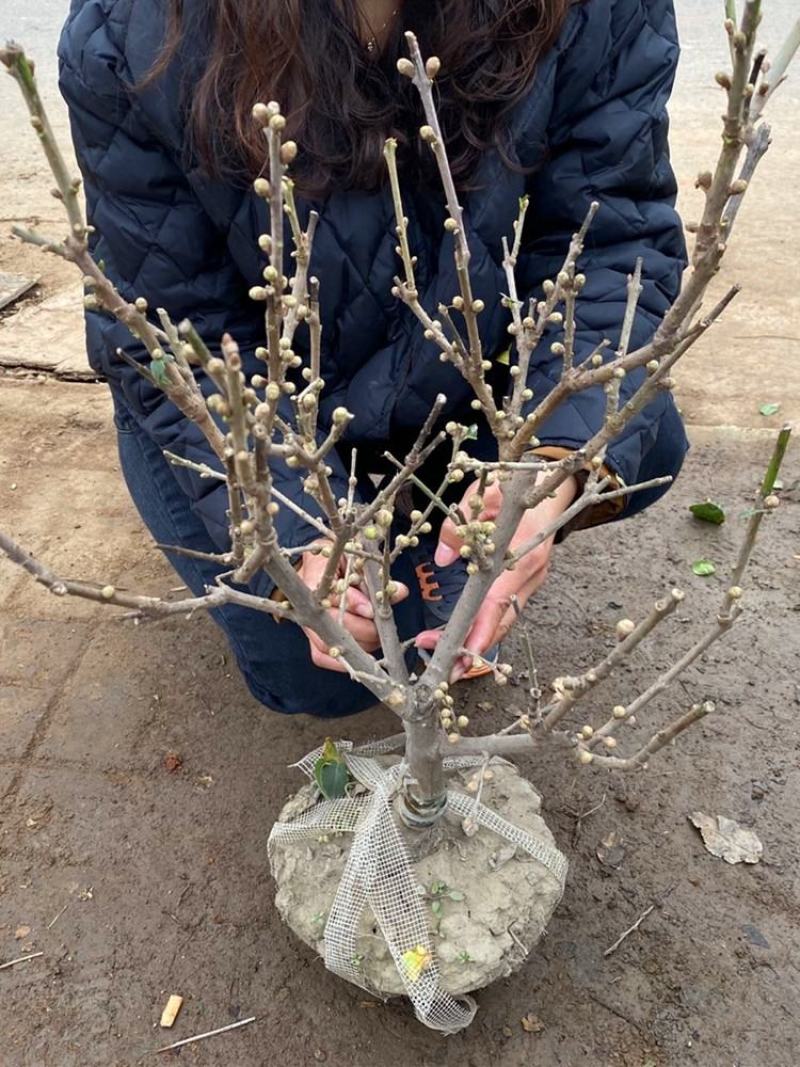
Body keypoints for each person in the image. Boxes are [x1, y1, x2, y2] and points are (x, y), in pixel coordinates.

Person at [58, 0, 689, 716]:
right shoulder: (136, 28)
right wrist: (296, 531)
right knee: (325, 673)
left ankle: (434, 522)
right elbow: (173, 329)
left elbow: (613, 240)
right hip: (272, 393)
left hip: (460, 369)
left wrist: (553, 465)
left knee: (641, 442)